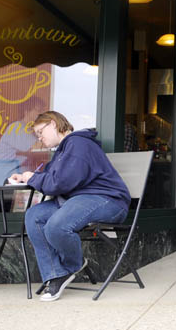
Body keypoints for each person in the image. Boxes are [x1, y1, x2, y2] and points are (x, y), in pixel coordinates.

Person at [10, 111, 130, 302]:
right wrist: (28, 176)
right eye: (37, 136)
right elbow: (51, 178)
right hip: (76, 200)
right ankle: (56, 274)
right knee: (34, 216)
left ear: (53, 124)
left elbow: (60, 183)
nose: (40, 139)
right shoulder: (63, 150)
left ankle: (72, 265)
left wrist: (32, 178)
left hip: (107, 199)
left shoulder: (78, 144)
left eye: (41, 133)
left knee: (57, 225)